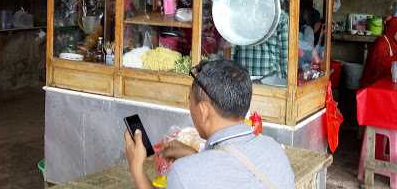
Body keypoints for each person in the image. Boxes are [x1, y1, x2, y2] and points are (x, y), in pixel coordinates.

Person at [124, 59, 295, 189]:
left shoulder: (185, 173)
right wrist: (194, 154)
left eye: (189, 100)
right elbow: (232, 171)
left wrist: (137, 168)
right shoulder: (274, 151)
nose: (189, 105)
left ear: (204, 111)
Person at [359, 16, 397, 88]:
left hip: (391, 81)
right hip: (374, 83)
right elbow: (378, 67)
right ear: (393, 30)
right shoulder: (381, 42)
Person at [232, 10, 289, 80]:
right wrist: (285, 79)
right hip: (271, 78)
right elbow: (285, 54)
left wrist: (229, 75)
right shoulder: (280, 16)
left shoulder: (237, 12)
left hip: (241, 76)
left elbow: (231, 47)